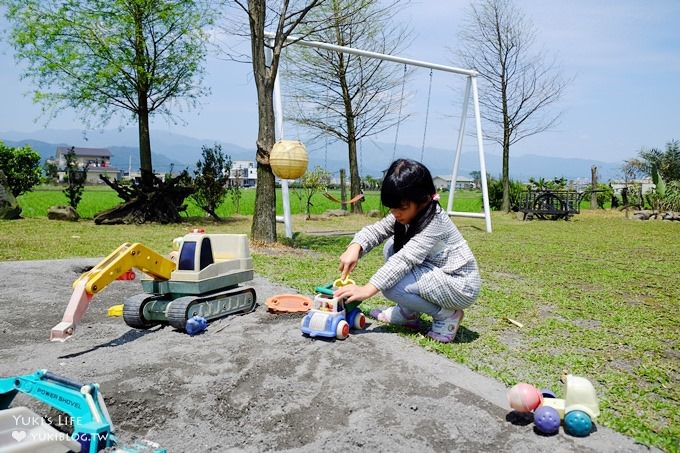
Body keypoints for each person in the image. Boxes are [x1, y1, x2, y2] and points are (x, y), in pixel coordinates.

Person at [333, 159, 481, 343]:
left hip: (460, 285)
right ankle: (408, 313)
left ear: (424, 199)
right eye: (392, 208)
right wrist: (356, 247)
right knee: (391, 246)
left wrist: (367, 290)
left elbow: (403, 260)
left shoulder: (435, 222)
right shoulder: (405, 213)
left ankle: (447, 315)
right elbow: (377, 230)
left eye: (402, 208)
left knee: (391, 285)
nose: (395, 213)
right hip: (438, 275)